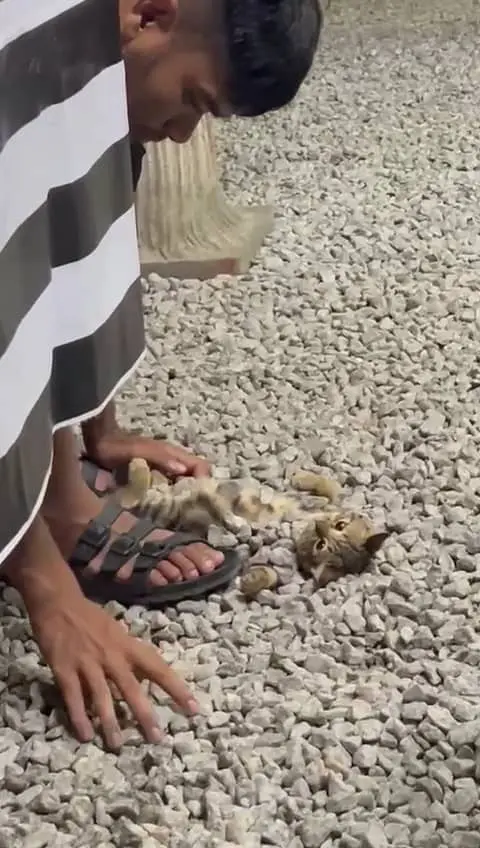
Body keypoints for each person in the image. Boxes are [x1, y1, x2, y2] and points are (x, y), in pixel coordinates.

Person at [0, 0, 322, 748]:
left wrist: (93, 422)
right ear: (149, 13)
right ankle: (42, 519)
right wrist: (46, 583)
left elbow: (76, 211)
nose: (186, 132)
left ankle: (59, 483)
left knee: (102, 136)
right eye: (194, 103)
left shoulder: (111, 47)